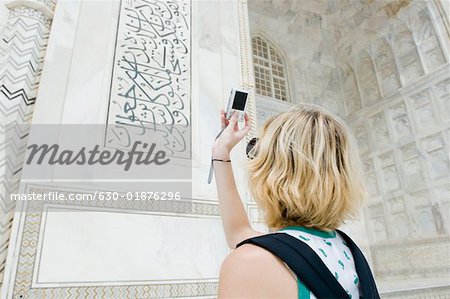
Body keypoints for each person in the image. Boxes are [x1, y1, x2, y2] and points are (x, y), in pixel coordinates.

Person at [212, 104, 370, 299]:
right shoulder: (347, 251)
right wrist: (221, 153)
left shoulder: (250, 263)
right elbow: (239, 232)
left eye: (256, 152)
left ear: (272, 172)